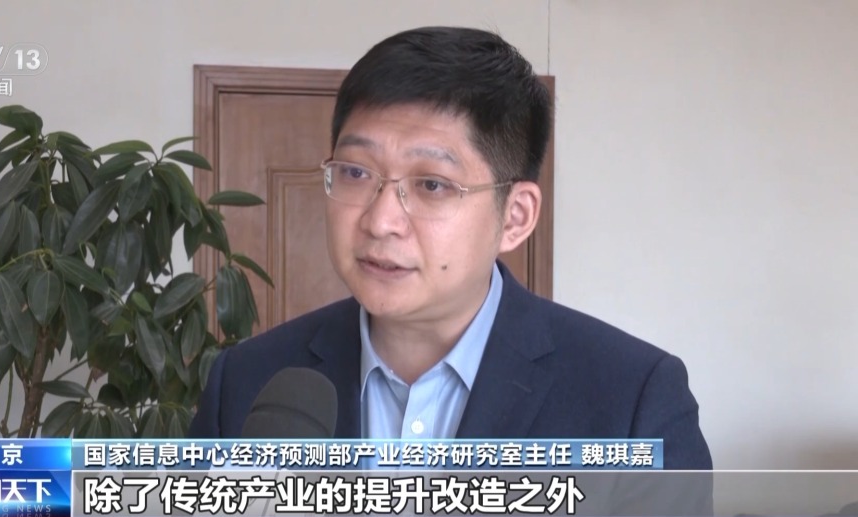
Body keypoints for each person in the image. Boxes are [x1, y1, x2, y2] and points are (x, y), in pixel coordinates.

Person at [188, 26, 712, 472]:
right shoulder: (246, 382)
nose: (380, 221)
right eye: (355, 173)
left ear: (515, 216)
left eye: (432, 185)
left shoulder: (633, 402)